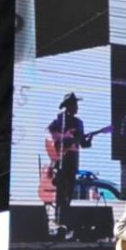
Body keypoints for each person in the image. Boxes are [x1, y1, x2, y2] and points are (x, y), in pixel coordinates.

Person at [46, 93, 93, 234]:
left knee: (69, 193)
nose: (77, 107)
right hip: (61, 160)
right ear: (68, 106)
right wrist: (63, 139)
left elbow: (83, 144)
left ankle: (65, 222)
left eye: (77, 105)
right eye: (74, 105)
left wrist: (88, 140)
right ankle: (59, 222)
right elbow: (49, 133)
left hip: (73, 161)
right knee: (60, 192)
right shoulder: (59, 121)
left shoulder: (79, 123)